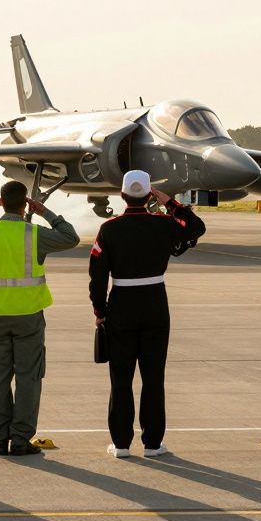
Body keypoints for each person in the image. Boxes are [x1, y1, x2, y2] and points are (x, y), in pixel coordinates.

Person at [89, 170, 205, 458]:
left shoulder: (110, 228)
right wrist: (171, 203)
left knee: (121, 378)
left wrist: (100, 311)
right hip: (155, 304)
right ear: (149, 194)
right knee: (153, 378)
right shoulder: (163, 224)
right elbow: (196, 227)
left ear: (122, 195)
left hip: (121, 306)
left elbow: (97, 275)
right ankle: (153, 443)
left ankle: (121, 444)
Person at [0, 181, 79, 456]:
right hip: (29, 316)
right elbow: (70, 237)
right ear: (26, 205)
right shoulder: (34, 234)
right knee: (28, 378)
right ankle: (20, 439)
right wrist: (45, 212)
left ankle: (0, 437)